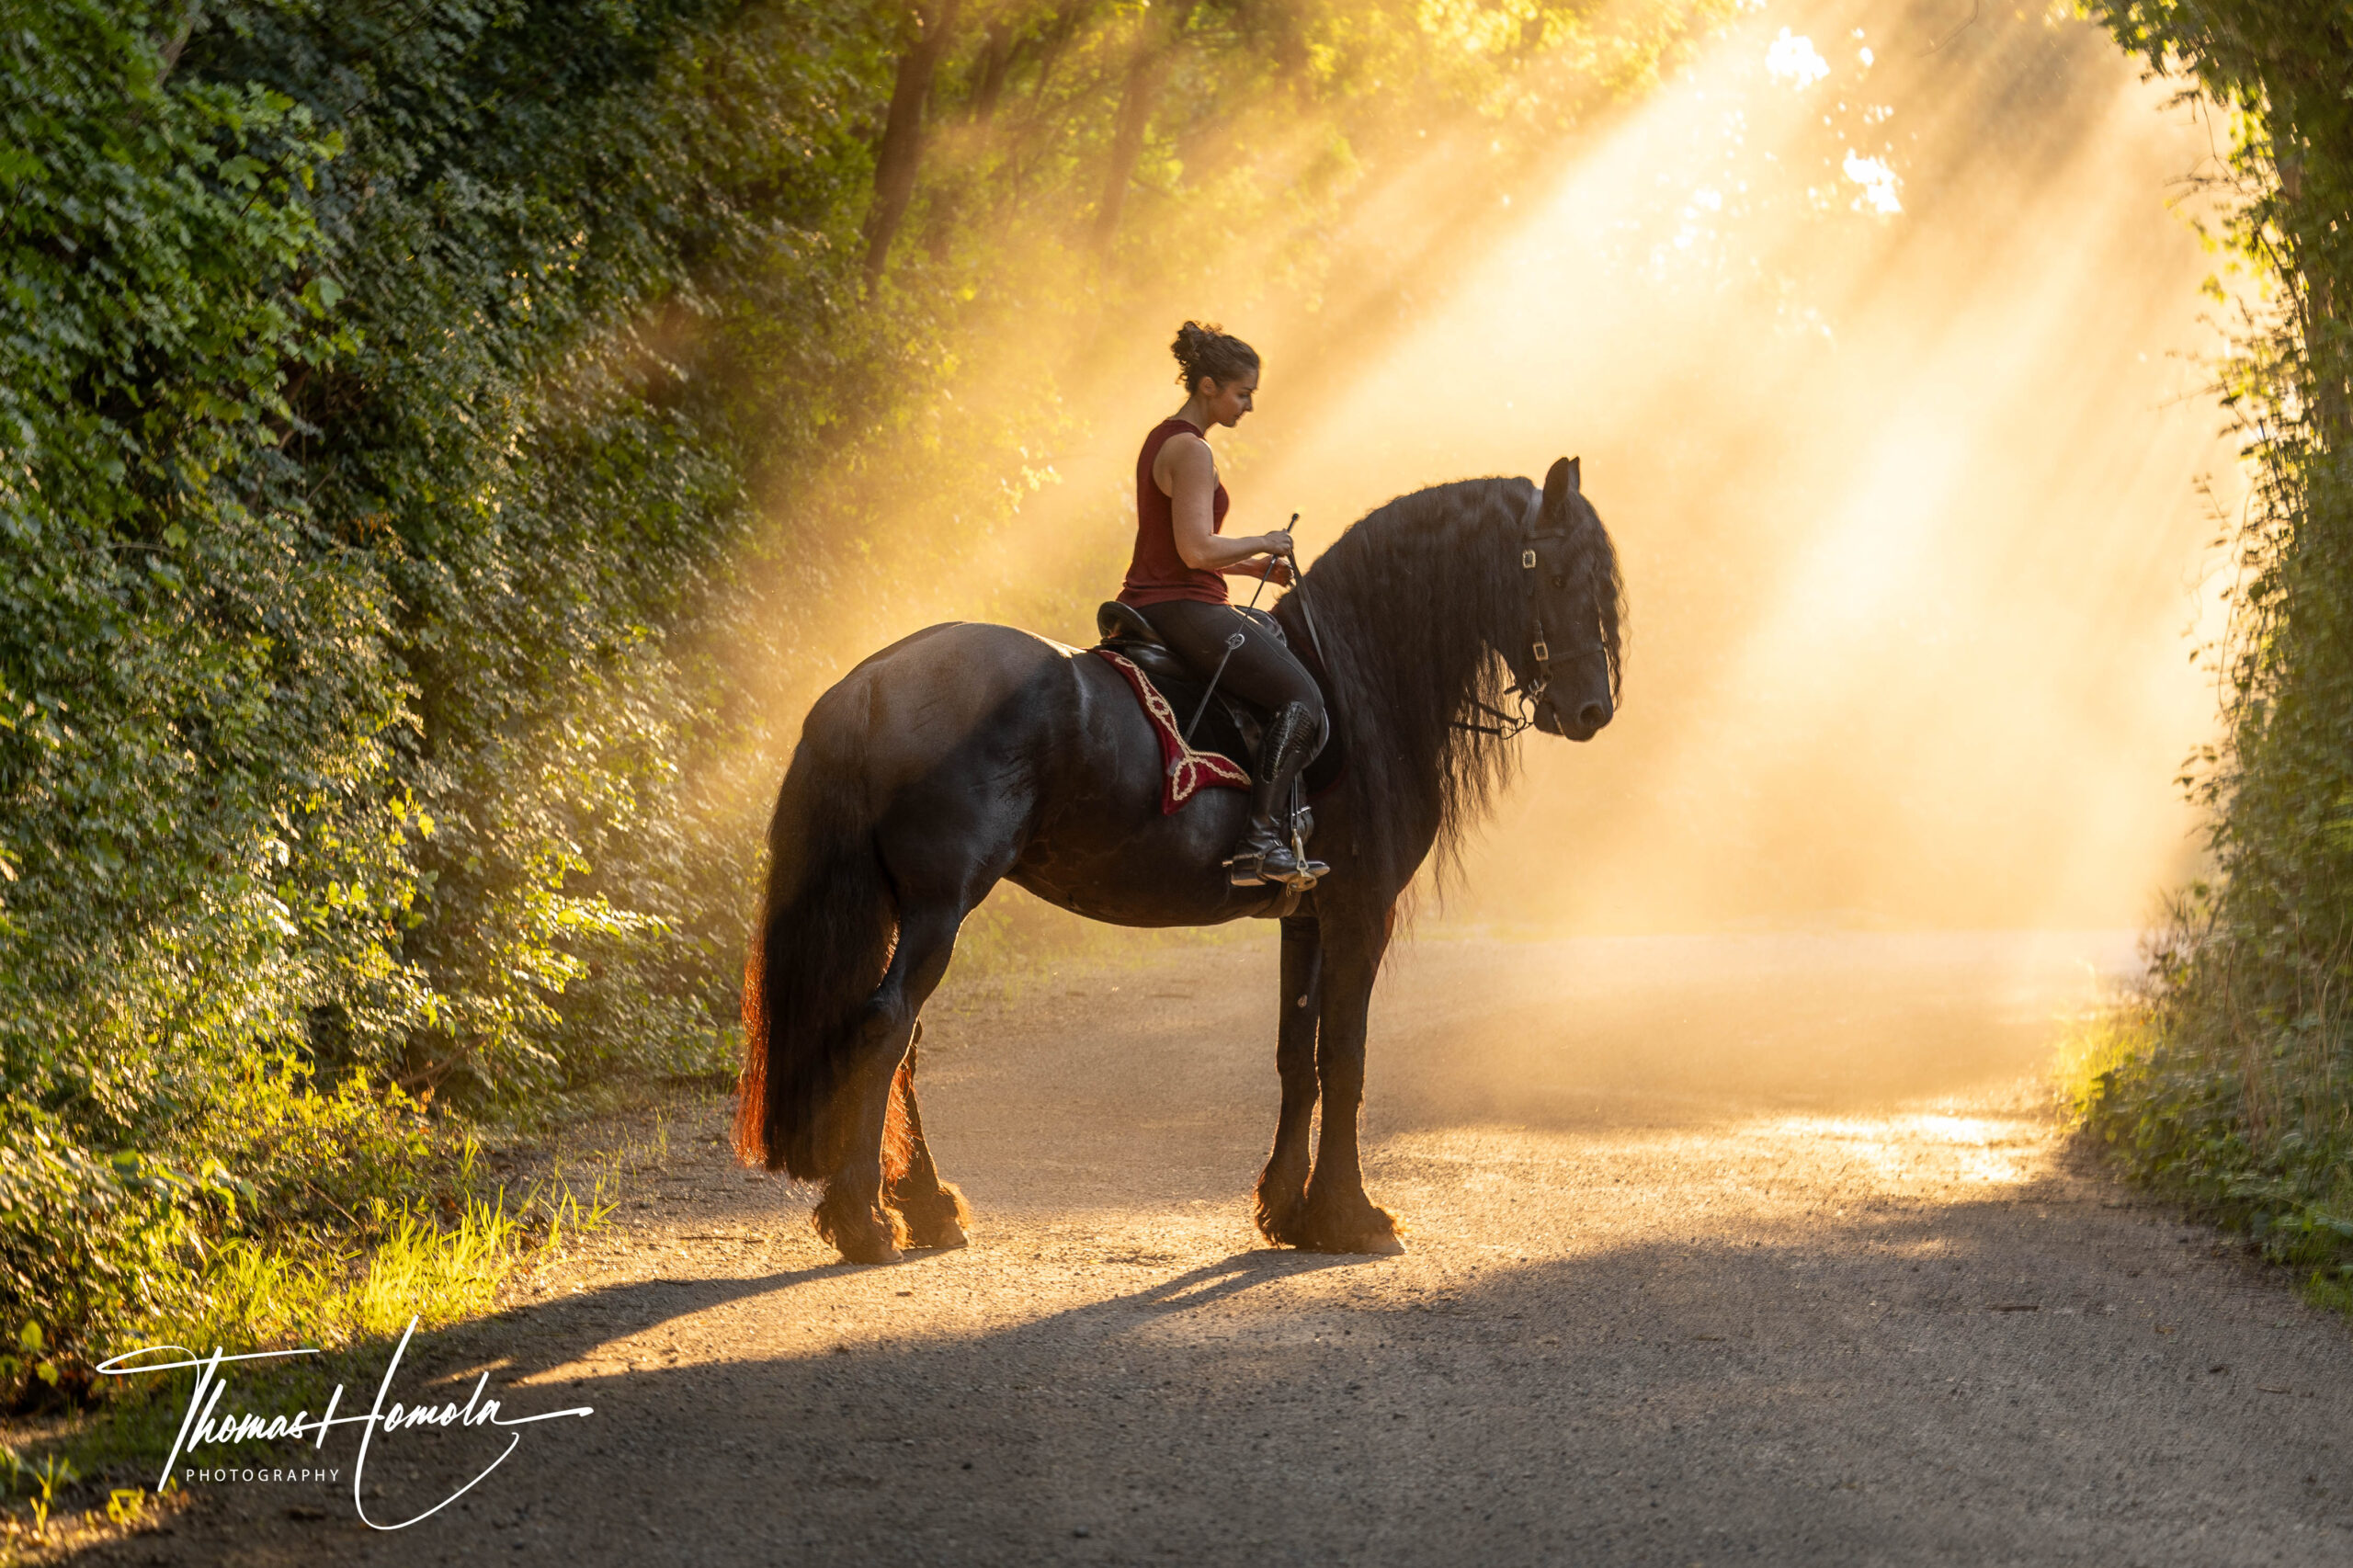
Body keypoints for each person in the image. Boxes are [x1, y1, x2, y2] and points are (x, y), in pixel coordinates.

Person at [1118, 321, 1328, 886]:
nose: (1249, 405)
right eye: (1242, 393)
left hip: (1167, 597)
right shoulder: (1192, 450)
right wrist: (1265, 540)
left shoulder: (1166, 439)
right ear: (1208, 386)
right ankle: (1260, 841)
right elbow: (1195, 549)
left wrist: (1253, 569)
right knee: (1303, 697)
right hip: (1182, 606)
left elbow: (1184, 550)